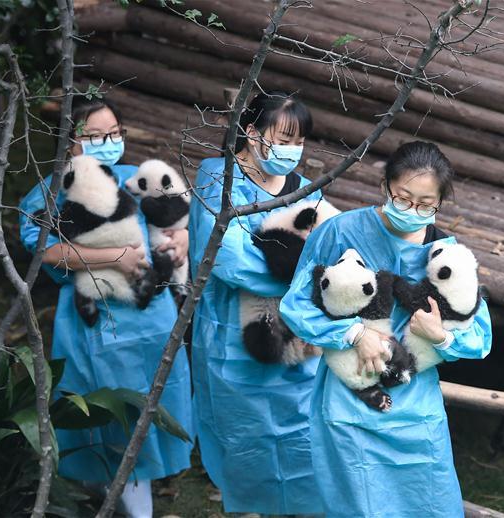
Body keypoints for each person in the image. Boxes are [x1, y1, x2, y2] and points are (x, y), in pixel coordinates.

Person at [280, 141, 493, 518]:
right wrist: (354, 335)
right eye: (403, 197)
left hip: (417, 409)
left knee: (432, 506)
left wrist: (440, 336)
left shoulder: (445, 252)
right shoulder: (340, 232)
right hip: (351, 401)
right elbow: (296, 306)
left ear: (440, 203)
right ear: (385, 187)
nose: (413, 211)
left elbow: (480, 337)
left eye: (426, 204)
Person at [18, 98, 193, 518]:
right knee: (100, 416)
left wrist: (182, 240)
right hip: (93, 319)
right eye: (95, 135)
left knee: (146, 416)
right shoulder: (55, 189)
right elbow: (43, 249)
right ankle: (104, 501)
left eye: (114, 133)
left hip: (151, 318)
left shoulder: (139, 178)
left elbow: (185, 223)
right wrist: (114, 256)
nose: (108, 142)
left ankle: (134, 506)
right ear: (72, 139)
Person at [188, 92, 324, 514]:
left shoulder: (305, 190)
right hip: (234, 341)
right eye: (283, 139)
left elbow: (326, 255)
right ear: (251, 132)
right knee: (245, 446)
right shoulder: (218, 178)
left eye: (298, 142)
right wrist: (299, 278)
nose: (291, 151)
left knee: (303, 439)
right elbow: (228, 260)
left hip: (297, 340)